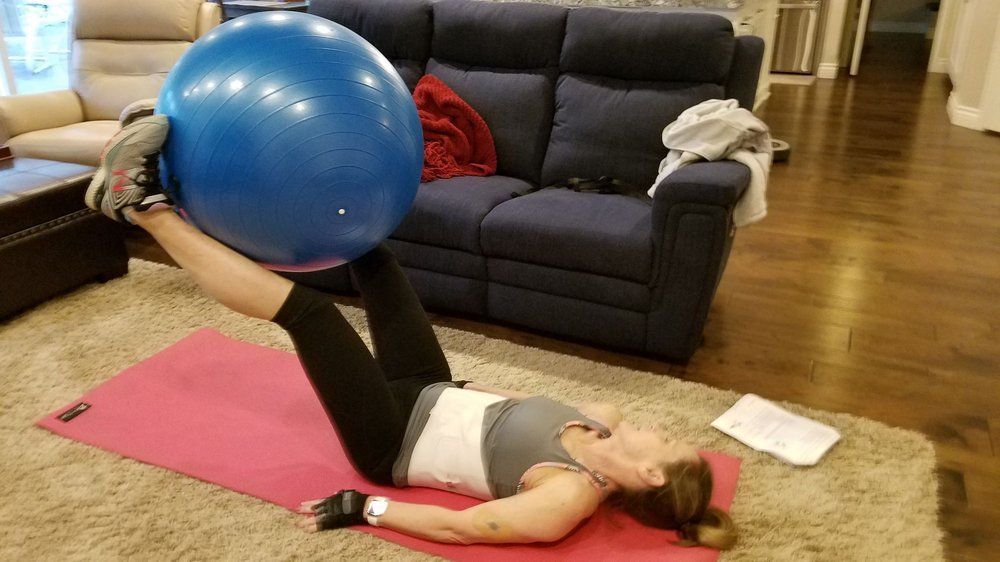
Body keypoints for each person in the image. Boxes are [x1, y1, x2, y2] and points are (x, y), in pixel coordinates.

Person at [85, 115, 737, 550]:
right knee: (373, 255)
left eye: (670, 441)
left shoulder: (566, 498)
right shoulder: (602, 417)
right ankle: (199, 177)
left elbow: (466, 527)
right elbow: (501, 415)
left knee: (312, 314)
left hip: (391, 441)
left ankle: (142, 206)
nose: (662, 428)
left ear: (651, 473)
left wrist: (364, 509)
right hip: (430, 389)